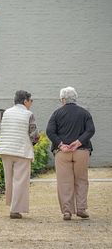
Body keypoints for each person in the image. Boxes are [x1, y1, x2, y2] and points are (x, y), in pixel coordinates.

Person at [46, 86, 95, 221]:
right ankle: (81, 208)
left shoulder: (56, 113)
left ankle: (67, 211)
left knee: (64, 182)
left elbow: (50, 131)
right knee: (81, 180)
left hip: (62, 153)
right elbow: (91, 130)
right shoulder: (85, 113)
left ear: (63, 99)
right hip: (81, 151)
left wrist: (61, 144)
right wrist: (78, 142)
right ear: (75, 98)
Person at [0, 90, 39, 219]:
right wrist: (33, 143)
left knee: (9, 180)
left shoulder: (6, 112)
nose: (31, 103)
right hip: (21, 151)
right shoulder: (28, 114)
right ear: (25, 101)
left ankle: (11, 205)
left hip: (5, 149)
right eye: (31, 100)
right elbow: (34, 135)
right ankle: (15, 210)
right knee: (20, 181)